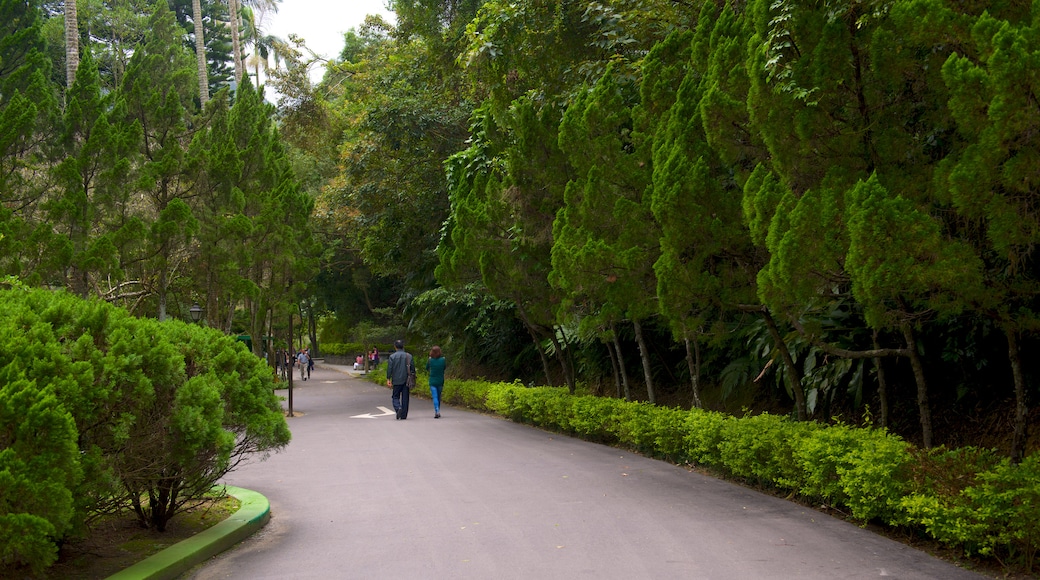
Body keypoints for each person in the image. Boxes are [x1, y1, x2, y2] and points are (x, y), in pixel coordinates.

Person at [386, 340, 415, 420]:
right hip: (407, 379)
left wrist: (388, 378)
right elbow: (412, 368)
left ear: (395, 347)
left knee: (395, 396)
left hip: (396, 380)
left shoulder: (392, 356)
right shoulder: (409, 356)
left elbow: (390, 368)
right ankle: (404, 415)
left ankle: (398, 407)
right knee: (405, 397)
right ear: (403, 346)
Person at [427, 346, 446, 418]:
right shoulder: (443, 360)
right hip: (440, 380)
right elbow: (444, 368)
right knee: (438, 396)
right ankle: (438, 410)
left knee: (434, 396)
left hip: (432, 380)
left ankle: (437, 411)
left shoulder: (430, 360)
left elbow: (427, 368)